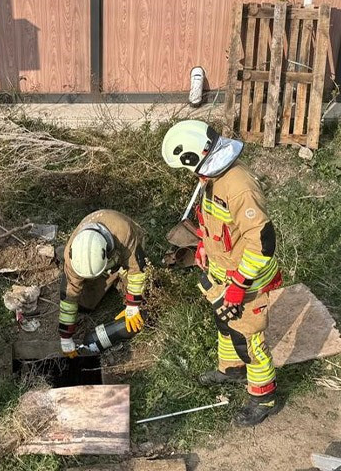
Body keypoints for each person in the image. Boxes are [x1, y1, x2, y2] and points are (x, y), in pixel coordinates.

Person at [161, 120, 284, 427]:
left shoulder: (238, 185)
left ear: (195, 156)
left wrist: (238, 286)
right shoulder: (211, 177)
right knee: (225, 322)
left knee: (248, 339)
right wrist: (202, 246)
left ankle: (263, 398)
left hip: (247, 277)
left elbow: (262, 241)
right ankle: (231, 370)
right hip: (222, 269)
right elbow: (215, 223)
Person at [58, 210, 149, 357]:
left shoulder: (123, 232)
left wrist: (133, 305)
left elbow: (137, 270)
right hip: (102, 264)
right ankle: (110, 279)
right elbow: (69, 296)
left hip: (125, 254)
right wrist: (65, 336)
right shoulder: (72, 255)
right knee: (84, 303)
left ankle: (119, 278)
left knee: (142, 295)